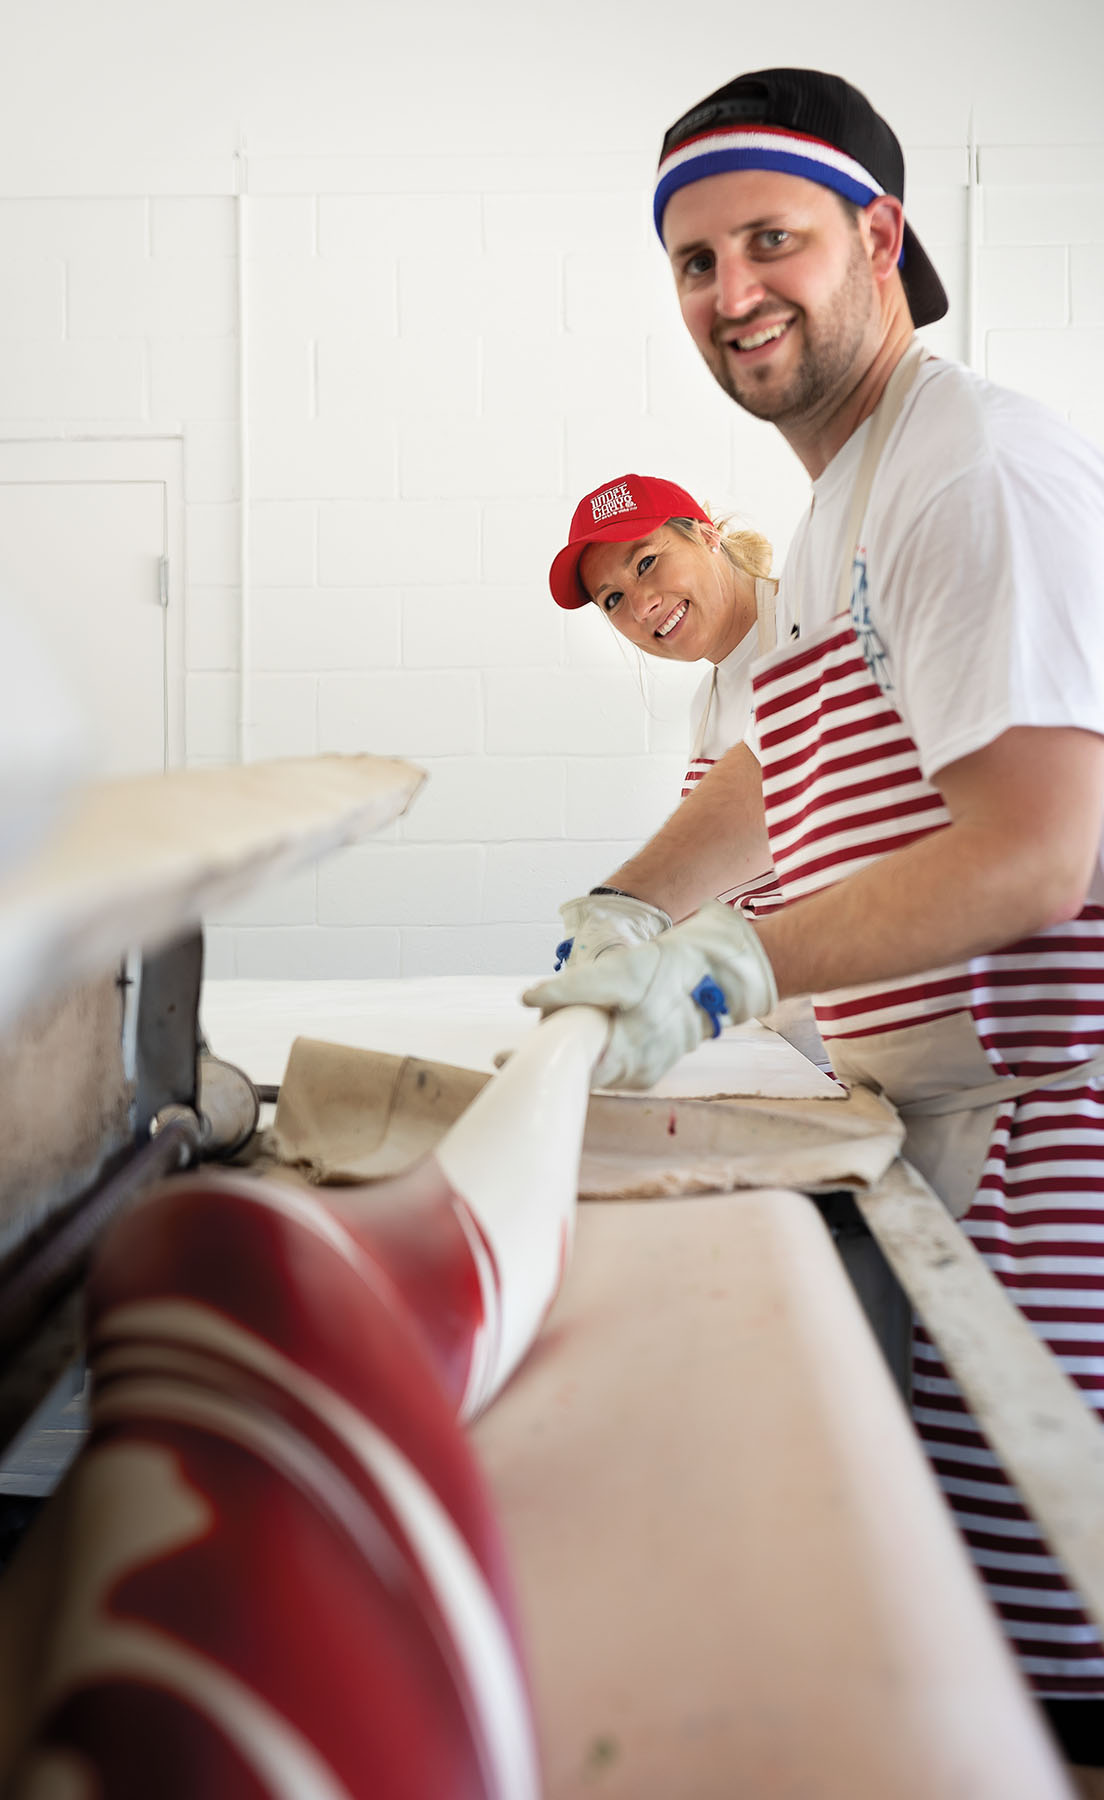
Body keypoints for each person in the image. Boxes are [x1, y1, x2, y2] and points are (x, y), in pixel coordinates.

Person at [524, 66, 1104, 1776]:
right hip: (939, 1134)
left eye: (769, 241)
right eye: (696, 263)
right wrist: (630, 908)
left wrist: (733, 968)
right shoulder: (854, 491)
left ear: (879, 236)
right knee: (958, 1634)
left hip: (1060, 1159)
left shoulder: (967, 470)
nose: (732, 295)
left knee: (1043, 1664)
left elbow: (1034, 856)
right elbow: (780, 761)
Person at [548, 472, 825, 1061]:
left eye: (646, 563)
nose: (641, 604)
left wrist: (631, 905)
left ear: (706, 535)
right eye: (613, 599)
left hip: (868, 1013)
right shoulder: (709, 700)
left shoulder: (810, 616)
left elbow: (783, 791)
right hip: (781, 1034)